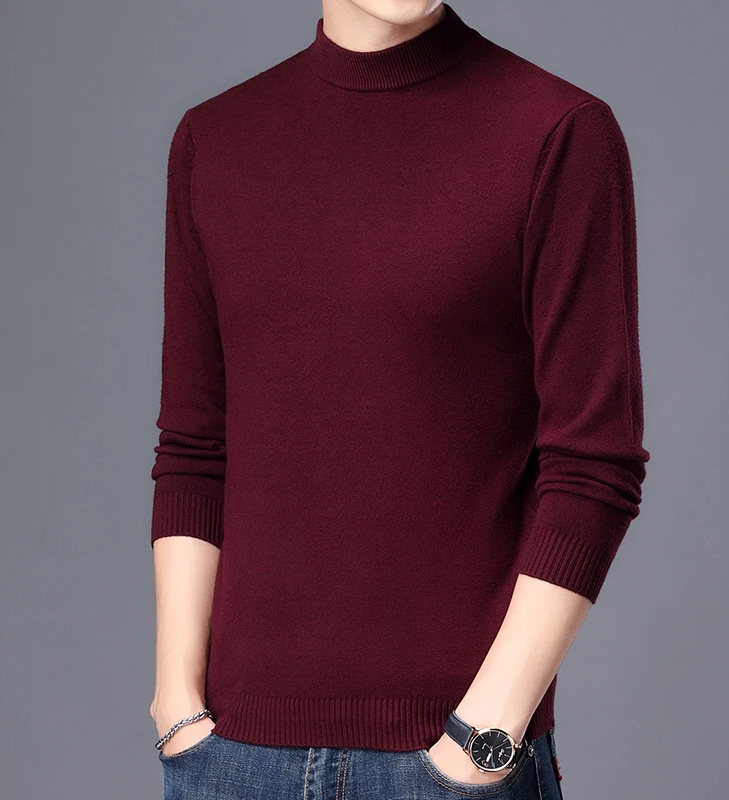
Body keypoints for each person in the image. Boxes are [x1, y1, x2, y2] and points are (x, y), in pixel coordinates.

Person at [148, 2, 650, 798]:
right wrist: (176, 702)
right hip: (231, 758)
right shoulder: (215, 142)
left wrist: (484, 735)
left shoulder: (557, 134)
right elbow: (195, 447)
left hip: (453, 759)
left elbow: (595, 463)